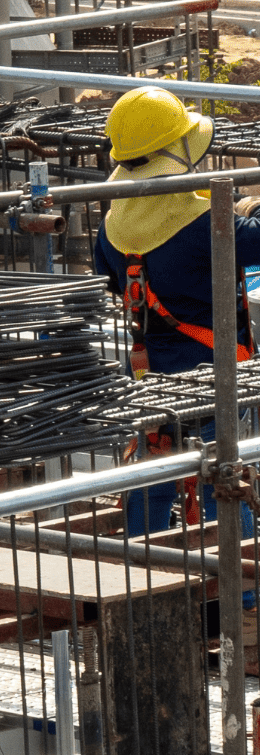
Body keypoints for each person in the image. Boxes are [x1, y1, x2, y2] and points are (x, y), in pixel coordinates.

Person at [93, 86, 260, 540]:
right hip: (213, 377)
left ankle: (144, 574)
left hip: (150, 377)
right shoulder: (207, 226)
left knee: (152, 479)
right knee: (223, 480)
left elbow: (111, 280)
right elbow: (251, 239)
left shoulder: (113, 228)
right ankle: (240, 595)